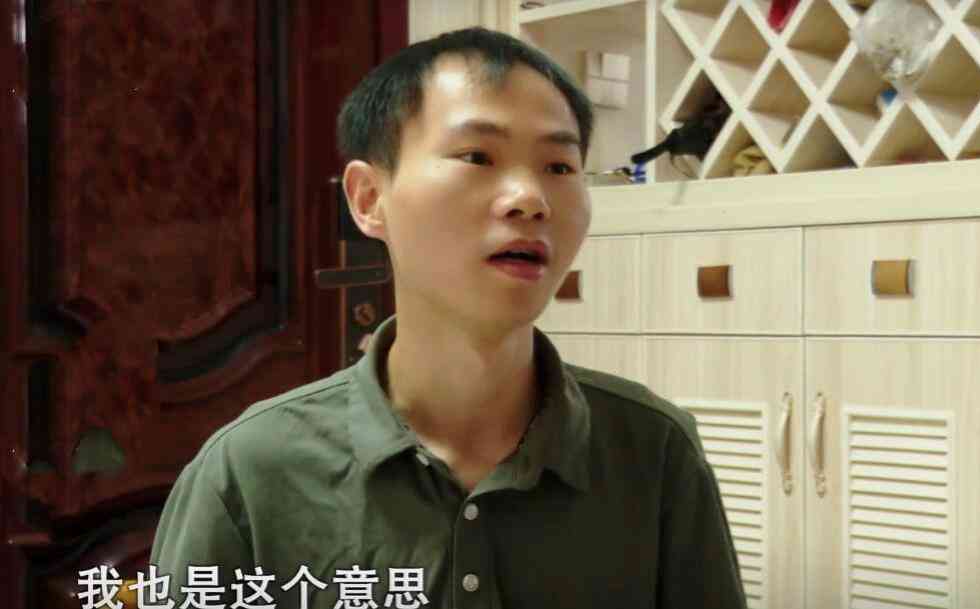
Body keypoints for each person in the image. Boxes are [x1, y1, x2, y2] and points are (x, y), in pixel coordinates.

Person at [150, 26, 746, 609]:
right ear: (368, 199)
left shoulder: (653, 451)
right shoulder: (250, 471)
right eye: (477, 156)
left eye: (559, 167)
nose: (530, 199)